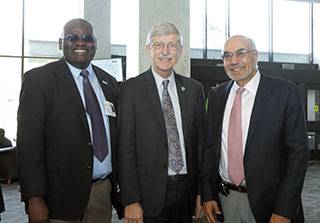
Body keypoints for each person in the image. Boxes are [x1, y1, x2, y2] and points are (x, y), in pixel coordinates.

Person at [17, 18, 121, 223]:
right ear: (60, 43)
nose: (80, 42)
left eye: (87, 38)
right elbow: (29, 145)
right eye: (72, 37)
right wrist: (34, 198)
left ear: (95, 43)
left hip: (101, 193)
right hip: (57, 197)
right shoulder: (39, 80)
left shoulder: (108, 82)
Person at [201, 35, 309, 223]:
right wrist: (208, 195)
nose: (234, 61)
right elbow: (210, 149)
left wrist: (284, 209)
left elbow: (298, 155)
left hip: (271, 204)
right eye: (227, 55)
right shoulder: (217, 95)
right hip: (225, 200)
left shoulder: (285, 92)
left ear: (255, 56)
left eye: (241, 53)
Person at [117, 22, 206, 223]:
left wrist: (201, 193)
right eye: (159, 45)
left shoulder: (194, 90)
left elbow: (200, 146)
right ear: (149, 49)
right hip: (148, 196)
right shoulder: (131, 89)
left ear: (180, 50)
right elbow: (125, 148)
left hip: (187, 193)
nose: (165, 52)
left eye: (172, 45)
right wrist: (131, 200)